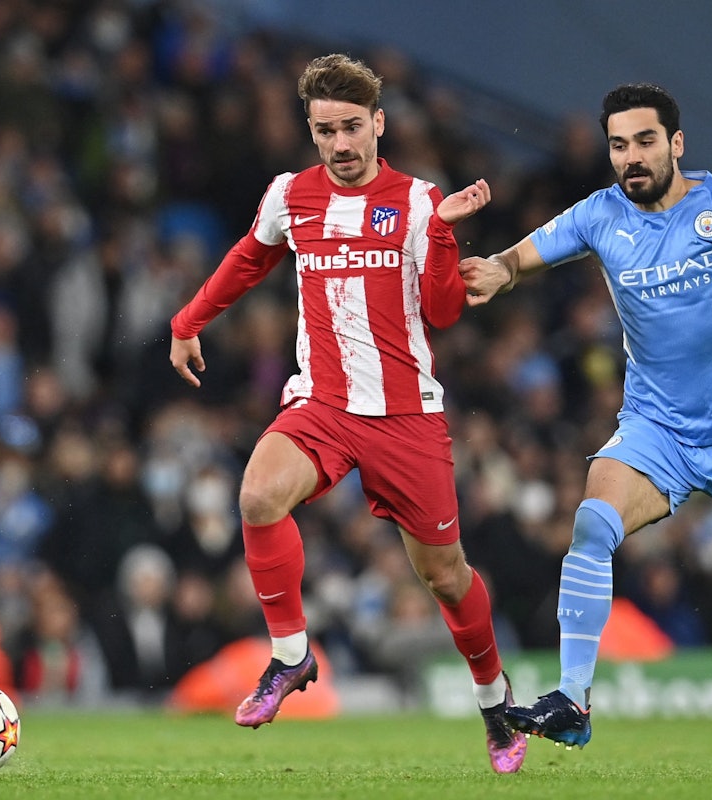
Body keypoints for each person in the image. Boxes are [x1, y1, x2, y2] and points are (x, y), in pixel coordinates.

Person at [460, 82, 712, 749]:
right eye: (618, 145)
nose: (631, 156)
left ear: (675, 143)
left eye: (645, 141)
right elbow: (520, 258)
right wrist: (497, 271)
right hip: (658, 429)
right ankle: (574, 699)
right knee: (592, 524)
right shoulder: (598, 215)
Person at [170, 53, 526, 773]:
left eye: (351, 127)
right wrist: (188, 320)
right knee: (257, 495)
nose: (339, 143)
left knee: (445, 576)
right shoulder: (290, 195)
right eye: (325, 130)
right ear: (311, 131)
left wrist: (445, 232)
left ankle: (494, 700)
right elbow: (248, 258)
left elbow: (443, 312)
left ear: (378, 124)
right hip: (323, 403)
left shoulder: (419, 202)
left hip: (404, 415)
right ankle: (290, 655)